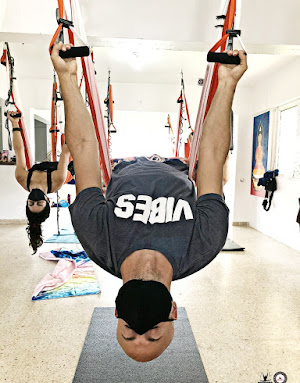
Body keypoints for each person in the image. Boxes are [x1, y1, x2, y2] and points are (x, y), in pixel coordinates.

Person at [50, 43, 247, 362]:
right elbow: (211, 156)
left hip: (123, 165)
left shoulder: (97, 240)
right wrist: (228, 83)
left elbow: (85, 148)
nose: (141, 327)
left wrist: (67, 77)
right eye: (152, 333)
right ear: (173, 312)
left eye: (129, 332)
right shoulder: (205, 244)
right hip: (176, 164)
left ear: (116, 310)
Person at [7, 111, 73, 253]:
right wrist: (70, 122)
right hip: (66, 171)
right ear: (48, 201)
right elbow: (66, 151)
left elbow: (19, 151)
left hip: (46, 168)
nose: (34, 200)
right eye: (39, 203)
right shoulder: (57, 181)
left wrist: (14, 123)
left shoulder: (22, 178)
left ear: (27, 202)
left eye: (31, 203)